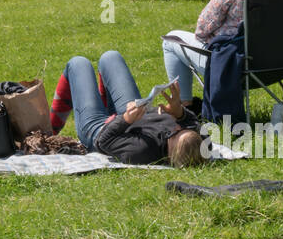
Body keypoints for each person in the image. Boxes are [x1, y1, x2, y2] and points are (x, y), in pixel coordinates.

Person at [51, 51, 205, 167]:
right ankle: (105, 102)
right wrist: (179, 112)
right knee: (110, 57)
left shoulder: (142, 151)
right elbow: (193, 125)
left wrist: (125, 119)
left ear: (171, 153)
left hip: (101, 129)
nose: (176, 126)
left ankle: (50, 128)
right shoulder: (197, 144)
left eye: (175, 132)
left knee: (78, 63)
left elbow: (103, 141)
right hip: (136, 113)